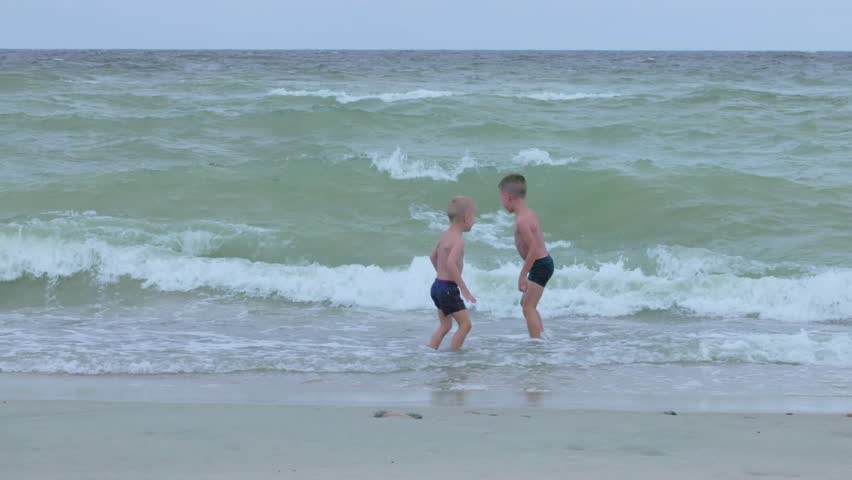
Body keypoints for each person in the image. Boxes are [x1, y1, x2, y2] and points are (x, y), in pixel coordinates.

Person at [498, 174, 554, 338]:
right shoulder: (529, 214)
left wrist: (522, 276)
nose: (501, 203)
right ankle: (541, 336)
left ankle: (536, 344)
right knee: (527, 304)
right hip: (542, 263)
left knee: (528, 307)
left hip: (540, 264)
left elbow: (534, 249)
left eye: (501, 197)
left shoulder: (522, 221)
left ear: (508, 196)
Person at [428, 196, 477, 350]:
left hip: (437, 286)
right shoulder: (458, 240)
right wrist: (463, 288)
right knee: (465, 325)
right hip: (448, 288)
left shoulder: (444, 236)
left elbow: (432, 256)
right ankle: (453, 358)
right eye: (474, 217)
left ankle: (429, 352)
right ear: (466, 218)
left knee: (445, 325)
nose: (474, 221)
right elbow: (450, 263)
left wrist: (441, 275)